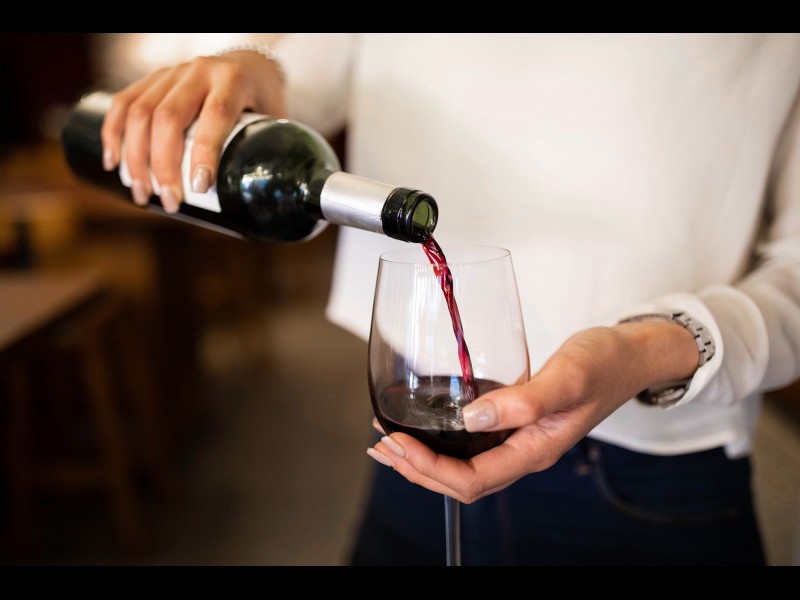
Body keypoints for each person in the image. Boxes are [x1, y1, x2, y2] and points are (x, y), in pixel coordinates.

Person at [99, 33, 800, 565]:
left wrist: (644, 350)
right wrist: (253, 66)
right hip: (412, 450)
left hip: (651, 486)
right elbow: (294, 84)